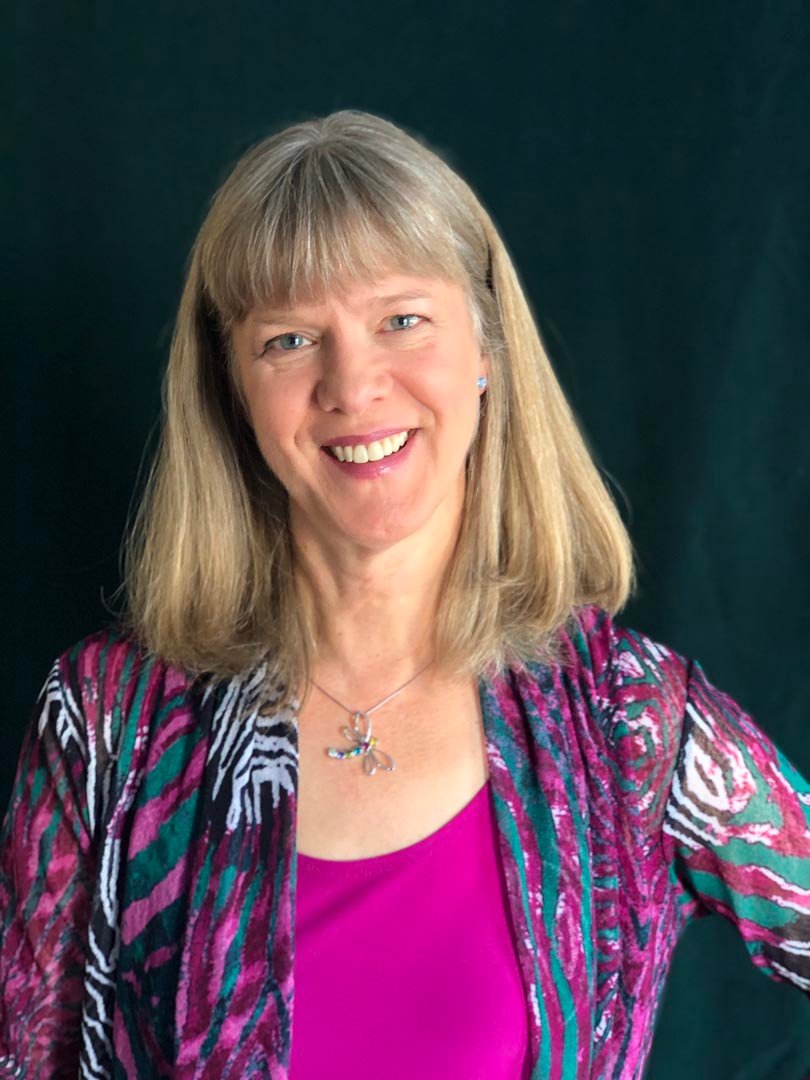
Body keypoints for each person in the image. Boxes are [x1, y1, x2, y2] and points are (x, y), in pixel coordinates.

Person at [1, 109, 808, 1080]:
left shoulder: (627, 719)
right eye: (291, 339)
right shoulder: (109, 727)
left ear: (485, 350)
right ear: (231, 390)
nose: (353, 383)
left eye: (401, 319)